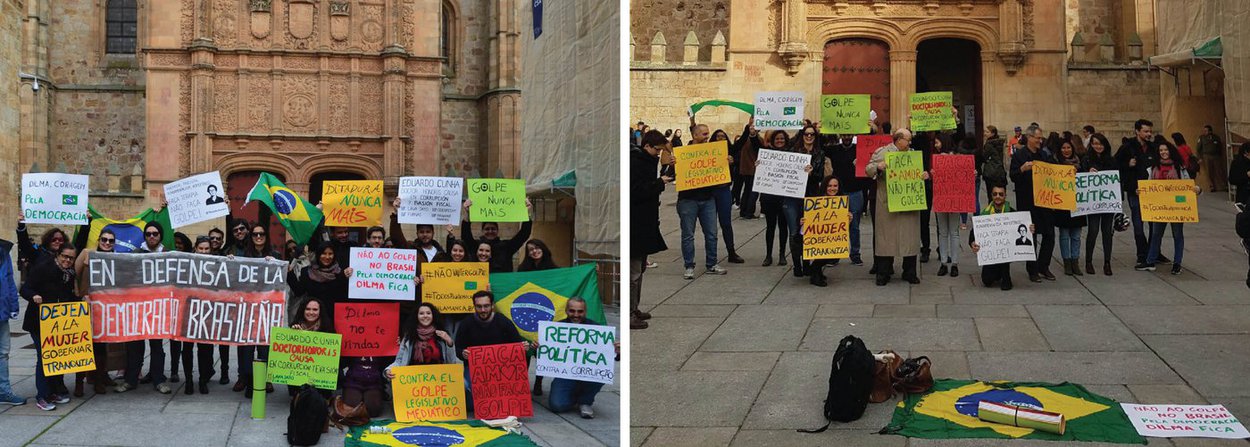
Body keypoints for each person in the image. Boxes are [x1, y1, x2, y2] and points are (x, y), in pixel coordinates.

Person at [21, 244, 79, 410]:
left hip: (57, 324)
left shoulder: (69, 273)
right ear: (58, 255)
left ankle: (52, 391)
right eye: (65, 257)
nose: (67, 260)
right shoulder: (43, 268)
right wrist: (34, 295)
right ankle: (42, 396)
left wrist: (80, 302)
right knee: (44, 358)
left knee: (56, 357)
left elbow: (67, 296)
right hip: (38, 322)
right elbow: (24, 288)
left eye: (71, 258)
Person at [865, 129, 925, 285]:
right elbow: (868, 169)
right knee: (886, 239)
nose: (910, 142)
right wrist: (879, 167)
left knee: (910, 238)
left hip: (908, 202)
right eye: (907, 139)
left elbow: (917, 174)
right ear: (898, 140)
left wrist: (924, 176)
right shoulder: (883, 152)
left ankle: (910, 272)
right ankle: (883, 272)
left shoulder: (913, 155)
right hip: (888, 203)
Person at [455, 291, 531, 414]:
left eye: (486, 306)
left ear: (492, 305)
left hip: (501, 371)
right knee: (471, 406)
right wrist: (462, 353)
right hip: (475, 369)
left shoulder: (504, 322)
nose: (483, 310)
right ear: (474, 306)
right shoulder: (466, 323)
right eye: (479, 306)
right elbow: (458, 348)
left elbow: (517, 343)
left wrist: (523, 347)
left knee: (496, 403)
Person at [120, 222, 172, 394]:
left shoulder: (167, 254)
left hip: (158, 309)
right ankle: (131, 380)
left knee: (157, 347)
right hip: (138, 308)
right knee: (135, 346)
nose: (151, 237)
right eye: (148, 234)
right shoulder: (135, 254)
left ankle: (159, 379)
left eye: (155, 233)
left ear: (160, 235)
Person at [545, 297, 618, 419]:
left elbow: (608, 357)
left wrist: (617, 351)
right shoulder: (557, 328)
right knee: (557, 406)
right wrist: (541, 348)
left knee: (601, 373)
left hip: (588, 375)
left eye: (580, 311)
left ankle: (585, 401)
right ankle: (575, 397)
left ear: (585, 311)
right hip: (565, 374)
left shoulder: (597, 329)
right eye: (572, 311)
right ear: (566, 311)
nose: (576, 315)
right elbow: (547, 355)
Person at [675, 123, 729, 280]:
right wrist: (673, 164)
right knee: (688, 235)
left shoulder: (712, 152)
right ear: (695, 136)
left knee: (712, 233)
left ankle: (711, 263)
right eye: (704, 134)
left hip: (707, 198)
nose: (707, 137)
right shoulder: (683, 154)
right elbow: (672, 174)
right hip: (687, 200)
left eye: (708, 134)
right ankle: (689, 266)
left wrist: (726, 162)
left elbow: (719, 172)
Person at [1141, 142, 1202, 274]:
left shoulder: (1180, 168)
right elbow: (1149, 186)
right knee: (1156, 234)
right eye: (1161, 150)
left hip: (1176, 207)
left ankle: (1177, 263)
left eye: (1166, 150)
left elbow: (1187, 186)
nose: (1163, 152)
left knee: (1177, 234)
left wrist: (1197, 189)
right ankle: (1150, 260)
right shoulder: (1153, 169)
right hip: (1159, 207)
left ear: (1171, 151)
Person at [630, 129, 669, 330]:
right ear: (647, 146)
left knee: (640, 269)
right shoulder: (636, 162)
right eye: (657, 150)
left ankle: (634, 308)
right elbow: (635, 192)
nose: (659, 153)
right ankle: (629, 313)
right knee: (634, 272)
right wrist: (658, 184)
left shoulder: (647, 161)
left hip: (644, 223)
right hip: (635, 225)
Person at [236, 222, 280, 397]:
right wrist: (231, 263)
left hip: (267, 309)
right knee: (246, 347)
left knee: (265, 346)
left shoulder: (275, 255)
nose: (259, 237)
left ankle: (265, 378)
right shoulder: (243, 255)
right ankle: (246, 377)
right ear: (251, 237)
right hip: (247, 309)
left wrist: (276, 263)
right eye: (255, 234)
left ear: (266, 237)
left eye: (261, 234)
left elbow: (281, 280)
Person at [1011, 125, 1059, 282]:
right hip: (1027, 202)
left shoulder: (1043, 155)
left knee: (1049, 235)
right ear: (1029, 137)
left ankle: (1044, 266)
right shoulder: (1019, 155)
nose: (1040, 140)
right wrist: (1022, 169)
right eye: (1038, 138)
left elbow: (1054, 171)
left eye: (1041, 138)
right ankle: (1032, 270)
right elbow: (1013, 176)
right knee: (1031, 236)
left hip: (1044, 201)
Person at [1117, 119, 1166, 269]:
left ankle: (1154, 252)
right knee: (1138, 225)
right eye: (1145, 131)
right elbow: (1115, 166)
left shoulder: (1153, 147)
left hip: (1152, 192)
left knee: (1154, 224)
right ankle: (1141, 255)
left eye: (1150, 131)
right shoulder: (1127, 147)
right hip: (1135, 192)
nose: (1149, 134)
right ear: (1137, 131)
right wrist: (1127, 165)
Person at [970, 184, 1033, 291]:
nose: (998, 196)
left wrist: (1030, 229)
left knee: (1005, 253)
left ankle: (1006, 277)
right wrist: (972, 243)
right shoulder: (985, 214)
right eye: (995, 194)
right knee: (987, 281)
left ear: (1005, 196)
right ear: (991, 196)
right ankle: (998, 272)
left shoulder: (1012, 213)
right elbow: (973, 233)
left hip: (1006, 252)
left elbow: (1023, 229)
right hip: (991, 253)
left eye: (1001, 194)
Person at [826, 134, 869, 265]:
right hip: (838, 193)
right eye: (844, 135)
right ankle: (835, 254)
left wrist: (871, 129)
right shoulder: (833, 149)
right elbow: (819, 145)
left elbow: (873, 144)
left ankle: (855, 254)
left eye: (849, 135)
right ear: (840, 135)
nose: (846, 137)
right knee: (837, 226)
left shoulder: (859, 149)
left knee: (854, 226)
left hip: (855, 191)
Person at [460, 199, 534, 273]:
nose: (490, 231)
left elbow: (523, 235)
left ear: (497, 231)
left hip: (502, 283)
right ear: (482, 231)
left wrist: (527, 214)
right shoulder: (475, 246)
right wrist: (467, 214)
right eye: (487, 229)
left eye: (493, 229)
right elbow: (465, 236)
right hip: (479, 282)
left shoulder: (507, 247)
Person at [932, 135, 969, 277]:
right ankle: (943, 262)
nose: (935, 144)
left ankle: (954, 262)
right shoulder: (936, 158)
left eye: (937, 141)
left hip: (954, 197)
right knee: (944, 232)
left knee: (952, 232)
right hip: (941, 196)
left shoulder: (957, 157)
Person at [385, 303, 454, 378]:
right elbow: (399, 361)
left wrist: (449, 342)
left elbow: (452, 362)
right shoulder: (408, 337)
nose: (425, 316)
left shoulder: (442, 335)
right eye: (421, 313)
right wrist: (388, 370)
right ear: (416, 317)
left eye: (428, 313)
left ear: (433, 316)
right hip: (414, 382)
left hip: (438, 380)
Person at [707, 128, 744, 264]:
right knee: (710, 226)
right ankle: (711, 255)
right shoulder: (707, 151)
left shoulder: (730, 152)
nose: (720, 139)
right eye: (718, 136)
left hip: (723, 191)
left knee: (726, 223)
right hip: (710, 193)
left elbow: (742, 143)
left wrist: (731, 163)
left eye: (723, 137)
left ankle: (731, 252)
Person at [1083, 133, 1118, 275]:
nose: (1098, 146)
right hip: (1093, 203)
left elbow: (1116, 180)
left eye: (1100, 143)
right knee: (1093, 230)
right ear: (1091, 145)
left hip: (1108, 202)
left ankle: (1107, 262)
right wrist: (1087, 172)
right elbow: (1080, 177)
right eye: (1095, 143)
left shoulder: (1111, 160)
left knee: (1107, 232)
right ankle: (1088, 261)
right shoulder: (1086, 159)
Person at [286, 296, 334, 398]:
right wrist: (294, 334)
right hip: (300, 371)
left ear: (320, 311)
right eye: (308, 309)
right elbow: (287, 355)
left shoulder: (328, 327)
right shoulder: (295, 326)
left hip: (321, 374)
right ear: (303, 310)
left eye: (315, 309)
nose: (311, 312)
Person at [289, 244, 348, 325]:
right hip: (312, 319)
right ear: (318, 255)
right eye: (323, 253)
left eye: (330, 254)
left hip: (334, 320)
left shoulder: (340, 273)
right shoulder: (306, 272)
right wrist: (289, 273)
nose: (327, 257)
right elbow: (299, 291)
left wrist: (346, 276)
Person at [1054, 139, 1087, 276]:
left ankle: (1075, 261)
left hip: (1077, 204)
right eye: (1063, 148)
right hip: (1062, 204)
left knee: (1076, 236)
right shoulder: (1056, 164)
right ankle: (1067, 262)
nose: (1066, 150)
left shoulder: (1080, 164)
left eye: (1068, 147)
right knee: (1064, 235)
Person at [804, 176, 844, 287]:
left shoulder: (842, 201)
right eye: (829, 186)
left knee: (834, 255)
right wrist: (803, 220)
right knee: (824, 252)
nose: (832, 188)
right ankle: (815, 272)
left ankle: (816, 270)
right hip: (814, 237)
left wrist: (848, 218)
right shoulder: (816, 201)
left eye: (835, 186)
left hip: (832, 237)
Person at [760, 130, 791, 267]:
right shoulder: (766, 153)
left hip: (784, 196)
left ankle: (782, 254)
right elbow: (756, 145)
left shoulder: (791, 154)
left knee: (783, 226)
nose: (780, 141)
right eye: (777, 139)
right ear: (772, 140)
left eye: (782, 139)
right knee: (770, 227)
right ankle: (768, 255)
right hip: (769, 197)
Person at [0, 237, 25, 406]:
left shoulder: (3, 251)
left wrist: (14, 306)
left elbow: (9, 279)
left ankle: (4, 390)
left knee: (3, 353)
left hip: (1, 311)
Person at [735, 121, 763, 219]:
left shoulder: (745, 139)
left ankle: (744, 210)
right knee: (753, 192)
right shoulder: (752, 138)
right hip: (753, 168)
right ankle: (749, 212)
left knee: (747, 190)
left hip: (746, 168)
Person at [1198, 124, 1226, 191]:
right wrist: (1199, 158)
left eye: (1206, 130)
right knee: (1209, 171)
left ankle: (1224, 185)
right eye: (1204, 130)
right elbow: (1198, 148)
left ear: (1210, 131)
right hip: (1207, 156)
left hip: (1216, 156)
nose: (1204, 132)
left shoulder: (1216, 137)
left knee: (1219, 171)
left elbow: (1220, 147)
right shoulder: (1202, 138)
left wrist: (1220, 156)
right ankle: (1212, 186)